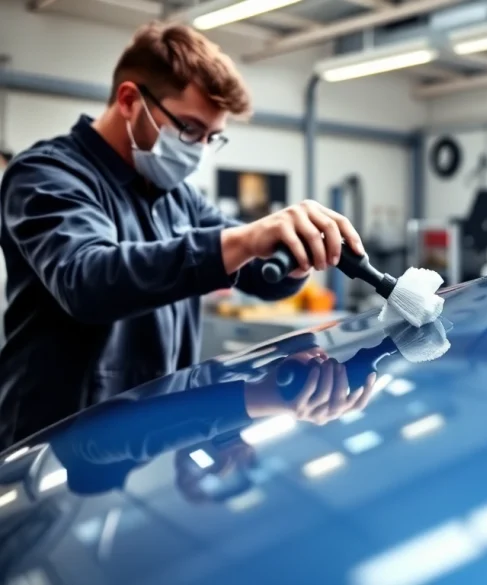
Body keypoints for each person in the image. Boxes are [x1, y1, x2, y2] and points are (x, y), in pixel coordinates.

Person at [0, 21, 364, 449]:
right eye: (189, 129)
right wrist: (246, 239)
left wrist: (294, 254)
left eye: (212, 137)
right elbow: (88, 280)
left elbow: (258, 275)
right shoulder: (46, 175)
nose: (199, 150)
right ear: (130, 100)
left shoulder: (178, 197)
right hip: (50, 453)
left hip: (152, 436)